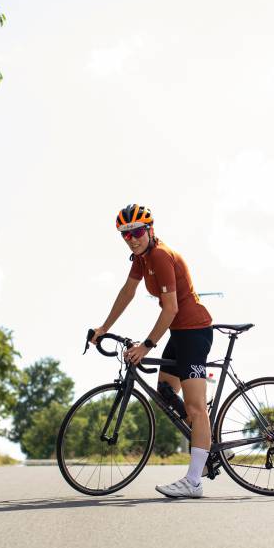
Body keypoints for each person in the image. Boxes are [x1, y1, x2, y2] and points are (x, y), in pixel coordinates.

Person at [91, 204, 214, 498]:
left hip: (194, 333)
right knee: (166, 394)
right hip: (178, 333)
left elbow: (170, 308)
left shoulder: (159, 256)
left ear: (150, 230)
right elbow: (127, 292)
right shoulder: (141, 258)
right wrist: (104, 328)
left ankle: (194, 481)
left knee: (196, 408)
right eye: (125, 234)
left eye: (136, 232)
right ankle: (206, 444)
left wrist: (146, 346)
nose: (132, 238)